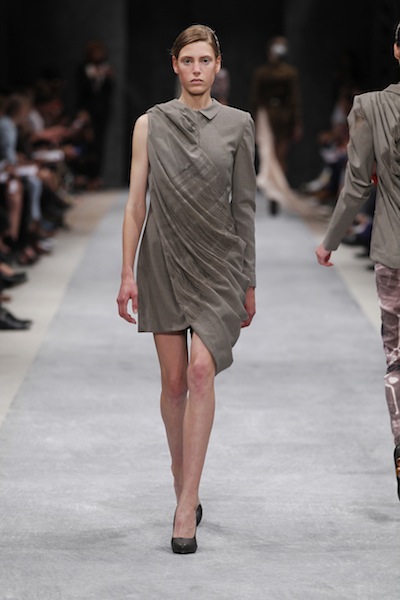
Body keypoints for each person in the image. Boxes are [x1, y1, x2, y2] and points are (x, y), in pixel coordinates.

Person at [116, 24, 256, 554]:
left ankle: (185, 505)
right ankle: (183, 486)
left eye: (205, 60)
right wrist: (126, 272)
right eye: (188, 60)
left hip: (220, 263)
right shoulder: (149, 124)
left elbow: (244, 208)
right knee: (174, 383)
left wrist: (249, 280)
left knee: (201, 372)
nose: (197, 69)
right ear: (174, 65)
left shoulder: (239, 124)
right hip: (162, 258)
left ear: (218, 66)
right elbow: (136, 204)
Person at [315, 22, 400, 502]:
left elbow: (357, 185)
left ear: (396, 50)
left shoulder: (370, 106)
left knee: (397, 358)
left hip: (394, 248)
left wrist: (330, 239)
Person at [250, 35, 303, 215]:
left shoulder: (264, 73)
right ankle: (275, 194)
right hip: (278, 117)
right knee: (274, 157)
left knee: (274, 157)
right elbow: (294, 100)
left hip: (272, 117)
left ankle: (275, 194)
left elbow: (256, 100)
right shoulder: (287, 73)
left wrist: (296, 123)